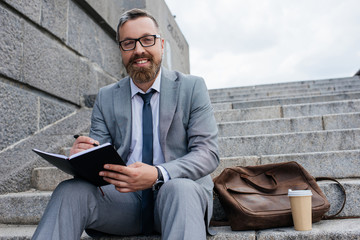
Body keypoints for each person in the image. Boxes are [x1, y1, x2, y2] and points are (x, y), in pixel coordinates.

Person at [32, 8, 219, 240]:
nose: (139, 50)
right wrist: (82, 157)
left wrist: (158, 173)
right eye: (128, 43)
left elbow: (207, 153)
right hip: (124, 202)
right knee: (70, 191)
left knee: (179, 189)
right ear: (120, 50)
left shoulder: (192, 88)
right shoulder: (106, 97)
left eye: (147, 40)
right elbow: (100, 155)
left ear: (161, 44)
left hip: (179, 199)